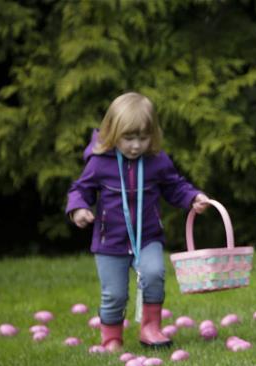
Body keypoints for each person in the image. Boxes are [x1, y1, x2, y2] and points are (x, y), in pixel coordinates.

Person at [66, 92, 210, 351]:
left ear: (153, 135)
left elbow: (175, 186)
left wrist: (193, 197)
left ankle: (151, 328)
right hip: (110, 241)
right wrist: (78, 209)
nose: (135, 146)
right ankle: (111, 338)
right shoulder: (99, 162)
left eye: (143, 138)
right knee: (114, 294)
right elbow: (81, 189)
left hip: (148, 236)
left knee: (154, 274)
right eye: (128, 138)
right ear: (112, 133)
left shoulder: (157, 160)